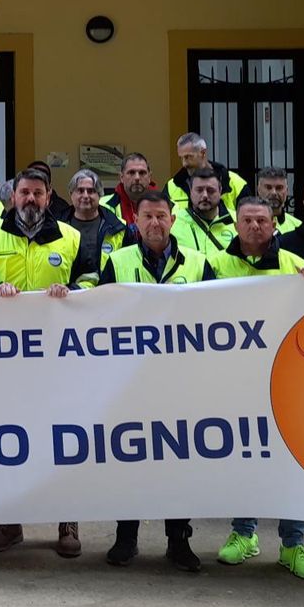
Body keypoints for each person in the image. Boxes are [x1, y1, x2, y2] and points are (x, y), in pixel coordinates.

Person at [97, 188, 214, 570]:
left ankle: (178, 540)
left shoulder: (198, 263)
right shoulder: (118, 261)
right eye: (146, 216)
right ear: (135, 221)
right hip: (130, 381)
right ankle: (125, 537)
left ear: (173, 219)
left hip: (182, 382)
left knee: (179, 461)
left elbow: (215, 318)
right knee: (128, 458)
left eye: (161, 215)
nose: (154, 223)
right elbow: (101, 316)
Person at [213, 197, 304, 579]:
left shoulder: (296, 267)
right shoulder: (216, 265)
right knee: (244, 457)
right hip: (236, 379)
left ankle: (293, 545)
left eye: (263, 220)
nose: (256, 226)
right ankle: (243, 534)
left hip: (288, 379)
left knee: (294, 461)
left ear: (275, 224)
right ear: (237, 224)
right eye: (248, 220)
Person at [0, 167, 84, 559]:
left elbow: (91, 280)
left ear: (49, 195)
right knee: (7, 438)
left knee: (63, 436)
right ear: (12, 196)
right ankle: (9, 522)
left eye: (38, 193)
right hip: (3, 361)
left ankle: (67, 520)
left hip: (59, 357)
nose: (31, 199)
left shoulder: (70, 236)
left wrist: (73, 291)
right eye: (24, 193)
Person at [60, 167, 136, 287]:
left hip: (109, 295)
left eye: (91, 191)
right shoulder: (57, 227)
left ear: (100, 195)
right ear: (71, 194)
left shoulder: (119, 228)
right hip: (67, 295)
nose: (85, 195)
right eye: (80, 190)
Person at [165, 132, 246, 212]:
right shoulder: (172, 186)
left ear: (203, 153)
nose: (184, 164)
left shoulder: (235, 183)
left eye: (188, 157)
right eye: (181, 158)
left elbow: (248, 216)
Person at [171, 169, 235, 256]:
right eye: (199, 190)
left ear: (220, 191)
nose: (205, 195)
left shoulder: (238, 221)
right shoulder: (174, 222)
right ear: (190, 191)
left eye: (210, 190)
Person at [102, 152, 154, 226]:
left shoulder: (167, 205)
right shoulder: (103, 206)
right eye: (131, 172)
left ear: (149, 177)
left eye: (142, 173)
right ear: (121, 177)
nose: (137, 178)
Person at [253, 167, 302, 234]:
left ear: (287, 191)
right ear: (258, 190)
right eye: (268, 187)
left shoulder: (298, 227)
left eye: (279, 188)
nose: (274, 193)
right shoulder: (242, 226)